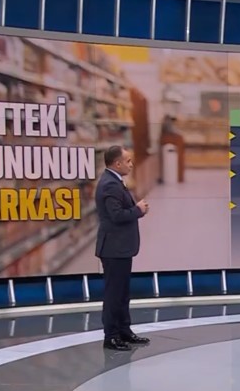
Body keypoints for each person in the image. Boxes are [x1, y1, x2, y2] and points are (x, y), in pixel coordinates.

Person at [95, 146, 151, 351]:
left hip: (121, 248)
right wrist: (138, 210)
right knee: (114, 294)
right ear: (117, 163)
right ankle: (111, 336)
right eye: (128, 161)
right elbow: (117, 216)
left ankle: (124, 331)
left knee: (122, 292)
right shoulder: (109, 185)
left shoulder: (116, 181)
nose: (131, 164)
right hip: (113, 248)